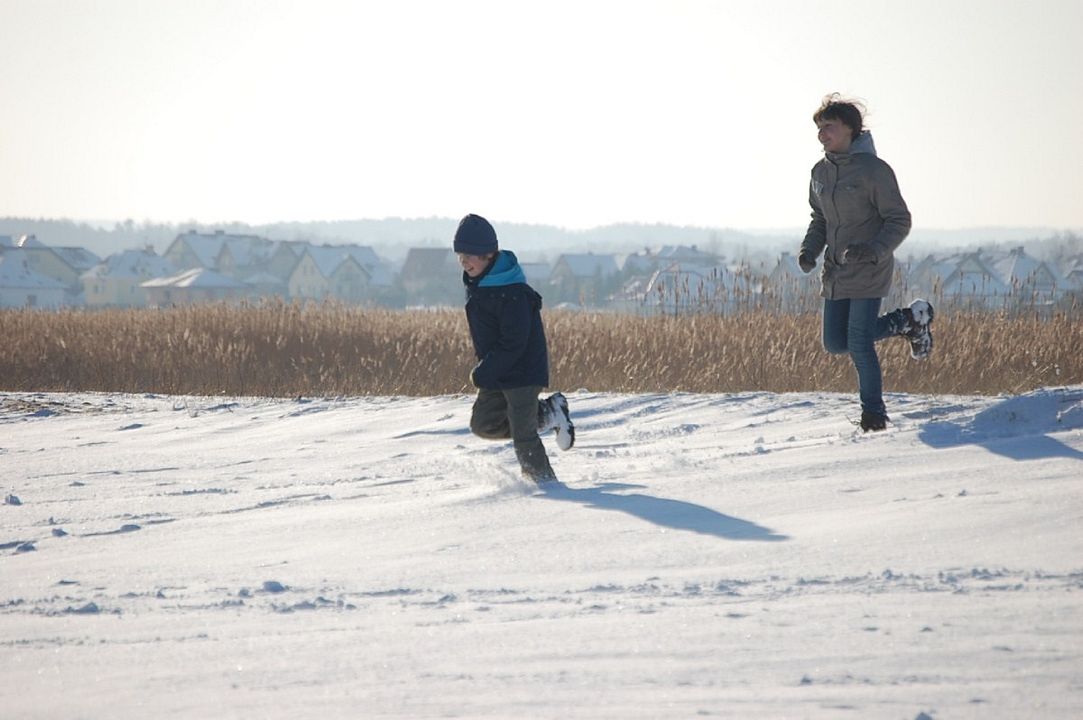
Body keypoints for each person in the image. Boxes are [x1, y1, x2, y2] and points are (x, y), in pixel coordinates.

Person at [798, 94, 934, 432]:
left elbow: (899, 220)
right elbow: (820, 219)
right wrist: (809, 251)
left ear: (850, 130)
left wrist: (874, 250)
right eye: (819, 128)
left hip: (869, 266)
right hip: (835, 270)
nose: (822, 134)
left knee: (858, 342)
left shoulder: (874, 171)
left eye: (828, 127)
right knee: (835, 343)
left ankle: (873, 416)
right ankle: (906, 321)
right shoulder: (820, 172)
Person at [454, 213, 574, 481]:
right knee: (483, 424)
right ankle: (550, 412)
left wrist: (484, 371)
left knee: (524, 436)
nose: (464, 261)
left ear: (488, 254)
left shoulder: (512, 292)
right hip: (498, 369)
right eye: (460, 254)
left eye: (470, 255)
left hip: (522, 371)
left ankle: (546, 486)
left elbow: (514, 343)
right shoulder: (479, 284)